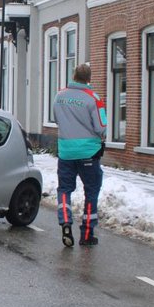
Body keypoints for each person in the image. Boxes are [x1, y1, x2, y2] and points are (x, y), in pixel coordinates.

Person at [53, 62, 107, 248]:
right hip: (88, 153)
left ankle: (66, 221)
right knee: (91, 190)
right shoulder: (94, 98)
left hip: (65, 152)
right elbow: (101, 126)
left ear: (73, 76)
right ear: (89, 79)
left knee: (65, 189)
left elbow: (56, 119)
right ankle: (86, 234)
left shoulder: (59, 96)